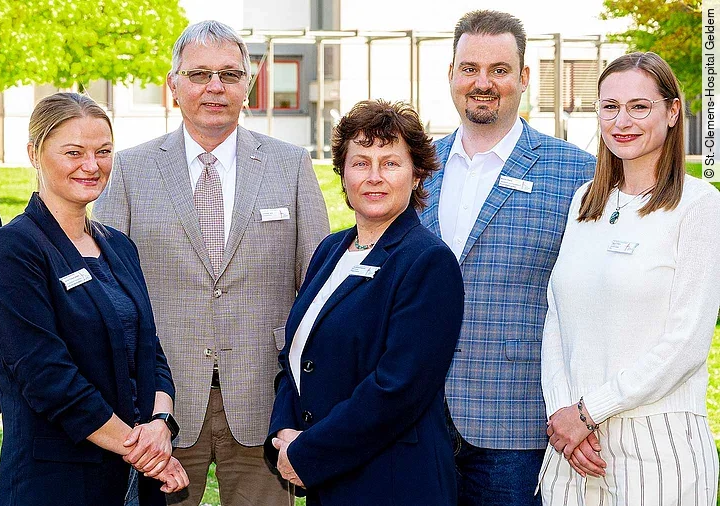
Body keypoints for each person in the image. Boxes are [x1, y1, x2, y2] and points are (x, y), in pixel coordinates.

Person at [93, 20, 330, 506]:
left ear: (249, 85)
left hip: (265, 397)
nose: (215, 87)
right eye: (199, 74)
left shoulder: (291, 165)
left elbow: (317, 287)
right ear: (173, 85)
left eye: (229, 74)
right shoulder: (130, 170)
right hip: (161, 407)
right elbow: (107, 291)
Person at [417, 10, 596, 505]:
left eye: (499, 69)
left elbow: (594, 299)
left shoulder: (576, 172)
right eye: (470, 68)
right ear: (451, 75)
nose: (483, 82)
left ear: (523, 77)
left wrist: (584, 408)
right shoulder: (417, 168)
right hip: (417, 421)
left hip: (517, 428)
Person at [0, 92, 188, 505]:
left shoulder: (119, 246)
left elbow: (151, 355)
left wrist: (161, 423)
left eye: (103, 152)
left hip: (134, 478)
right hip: (59, 481)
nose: (92, 166)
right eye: (74, 152)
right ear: (35, 154)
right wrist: (143, 451)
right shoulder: (14, 249)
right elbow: (47, 378)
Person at [539, 52, 720, 505]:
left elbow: (687, 343)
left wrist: (588, 412)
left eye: (640, 106)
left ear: (673, 111)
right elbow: (556, 317)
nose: (622, 120)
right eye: (609, 106)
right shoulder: (585, 200)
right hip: (574, 451)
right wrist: (565, 416)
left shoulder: (699, 206)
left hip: (659, 449)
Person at [266, 100, 464, 505]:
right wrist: (283, 432)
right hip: (332, 479)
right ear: (342, 175)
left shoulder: (428, 261)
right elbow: (298, 353)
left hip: (393, 481)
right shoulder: (330, 250)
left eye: (390, 163)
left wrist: (307, 452)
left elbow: (397, 389)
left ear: (416, 174)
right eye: (361, 163)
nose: (374, 177)